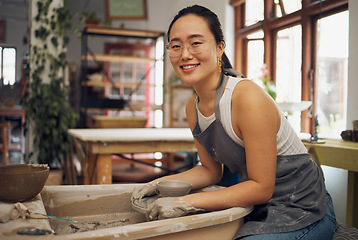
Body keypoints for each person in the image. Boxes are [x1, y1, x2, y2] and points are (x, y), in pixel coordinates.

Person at [131, 5, 337, 239]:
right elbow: (210, 171)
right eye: (176, 46)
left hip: (304, 206)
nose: (185, 54)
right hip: (258, 206)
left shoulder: (246, 97)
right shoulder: (193, 107)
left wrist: (185, 202)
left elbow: (261, 186)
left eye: (196, 43)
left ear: (219, 48)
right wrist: (156, 183)